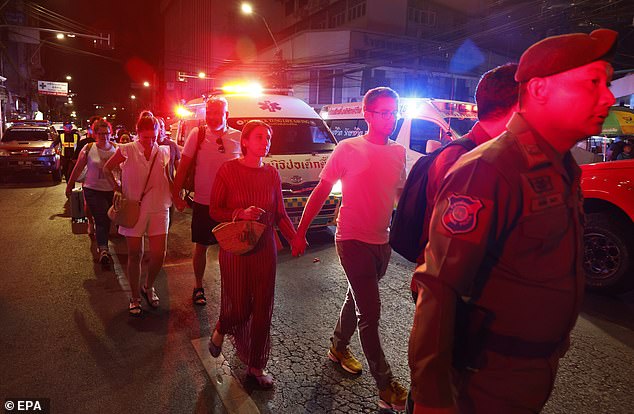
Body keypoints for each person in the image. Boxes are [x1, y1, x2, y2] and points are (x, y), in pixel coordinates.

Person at [408, 28, 617, 414]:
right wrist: (431, 397)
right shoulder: (490, 168)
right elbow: (438, 287)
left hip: (532, 371)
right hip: (482, 378)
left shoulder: (563, 166)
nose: (608, 96)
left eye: (607, 82)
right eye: (593, 82)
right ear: (539, 90)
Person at [291, 87, 408, 411]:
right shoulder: (348, 148)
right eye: (384, 112)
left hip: (381, 243)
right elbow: (322, 190)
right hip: (351, 239)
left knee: (355, 297)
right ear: (367, 115)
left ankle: (338, 347)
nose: (391, 117)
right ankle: (385, 386)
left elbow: (398, 196)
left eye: (394, 111)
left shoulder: (399, 152)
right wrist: (301, 231)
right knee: (370, 312)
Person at [409, 63, 519, 303]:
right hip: (455, 297)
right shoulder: (464, 161)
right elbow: (450, 257)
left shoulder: (504, 156)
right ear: (516, 110)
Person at [207, 120, 297, 388]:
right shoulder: (228, 170)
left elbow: (280, 213)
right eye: (259, 137)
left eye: (268, 138)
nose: (265, 142)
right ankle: (223, 326)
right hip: (236, 248)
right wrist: (239, 214)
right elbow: (214, 210)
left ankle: (256, 366)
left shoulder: (271, 173)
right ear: (245, 142)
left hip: (264, 248)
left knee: (262, 307)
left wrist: (296, 238)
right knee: (241, 306)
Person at [172, 97, 241, 306]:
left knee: (230, 248)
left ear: (226, 115)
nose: (211, 117)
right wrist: (176, 195)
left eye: (216, 113)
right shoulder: (198, 134)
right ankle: (198, 285)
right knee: (201, 246)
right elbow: (183, 167)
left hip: (229, 204)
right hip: (203, 201)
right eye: (209, 112)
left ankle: (230, 287)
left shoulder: (238, 136)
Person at [103, 114, 173, 316]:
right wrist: (117, 188)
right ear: (138, 134)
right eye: (145, 137)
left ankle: (148, 286)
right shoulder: (127, 149)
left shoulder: (164, 151)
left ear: (159, 133)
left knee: (159, 254)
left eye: (153, 137)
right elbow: (107, 169)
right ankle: (134, 296)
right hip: (134, 208)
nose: (150, 141)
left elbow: (171, 176)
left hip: (160, 207)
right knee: (135, 254)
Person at [65, 119, 117, 266]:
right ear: (95, 134)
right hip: (93, 189)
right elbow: (78, 168)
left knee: (108, 218)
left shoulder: (116, 148)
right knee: (101, 218)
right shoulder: (88, 148)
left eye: (107, 133)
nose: (104, 137)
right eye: (101, 133)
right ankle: (103, 250)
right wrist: (70, 185)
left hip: (111, 190)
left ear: (110, 134)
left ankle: (102, 241)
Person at [157, 116, 181, 227]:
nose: (160, 129)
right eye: (157, 126)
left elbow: (179, 168)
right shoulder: (148, 145)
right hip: (152, 189)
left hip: (169, 188)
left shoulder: (172, 145)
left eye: (161, 126)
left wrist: (179, 187)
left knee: (168, 220)